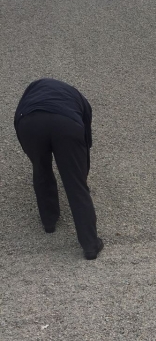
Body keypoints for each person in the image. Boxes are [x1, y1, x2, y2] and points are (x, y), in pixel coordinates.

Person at [14, 78, 104, 259]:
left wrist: (33, 154)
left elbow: (17, 117)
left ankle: (49, 222)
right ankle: (90, 246)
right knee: (75, 185)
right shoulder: (80, 100)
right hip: (66, 124)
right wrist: (80, 175)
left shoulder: (31, 91)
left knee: (41, 171)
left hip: (29, 123)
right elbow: (85, 140)